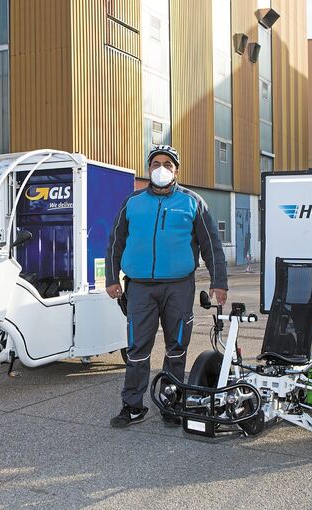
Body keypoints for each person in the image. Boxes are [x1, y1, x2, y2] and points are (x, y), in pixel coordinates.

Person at [106, 145, 228, 428]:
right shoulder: (133, 202)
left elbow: (212, 246)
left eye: (168, 164)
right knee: (137, 348)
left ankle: (172, 404)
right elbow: (115, 242)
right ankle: (133, 406)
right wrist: (112, 278)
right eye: (156, 163)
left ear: (176, 170)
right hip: (139, 288)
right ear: (149, 168)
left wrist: (218, 282)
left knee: (176, 348)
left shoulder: (192, 202)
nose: (161, 168)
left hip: (179, 287)